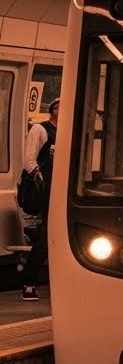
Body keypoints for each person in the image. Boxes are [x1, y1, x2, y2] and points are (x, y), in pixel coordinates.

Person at [19, 98, 59, 301]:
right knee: (45, 239)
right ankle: (29, 284)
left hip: (60, 193)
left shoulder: (70, 132)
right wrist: (40, 179)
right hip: (45, 192)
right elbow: (28, 160)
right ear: (52, 109)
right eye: (58, 106)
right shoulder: (40, 129)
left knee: (51, 238)